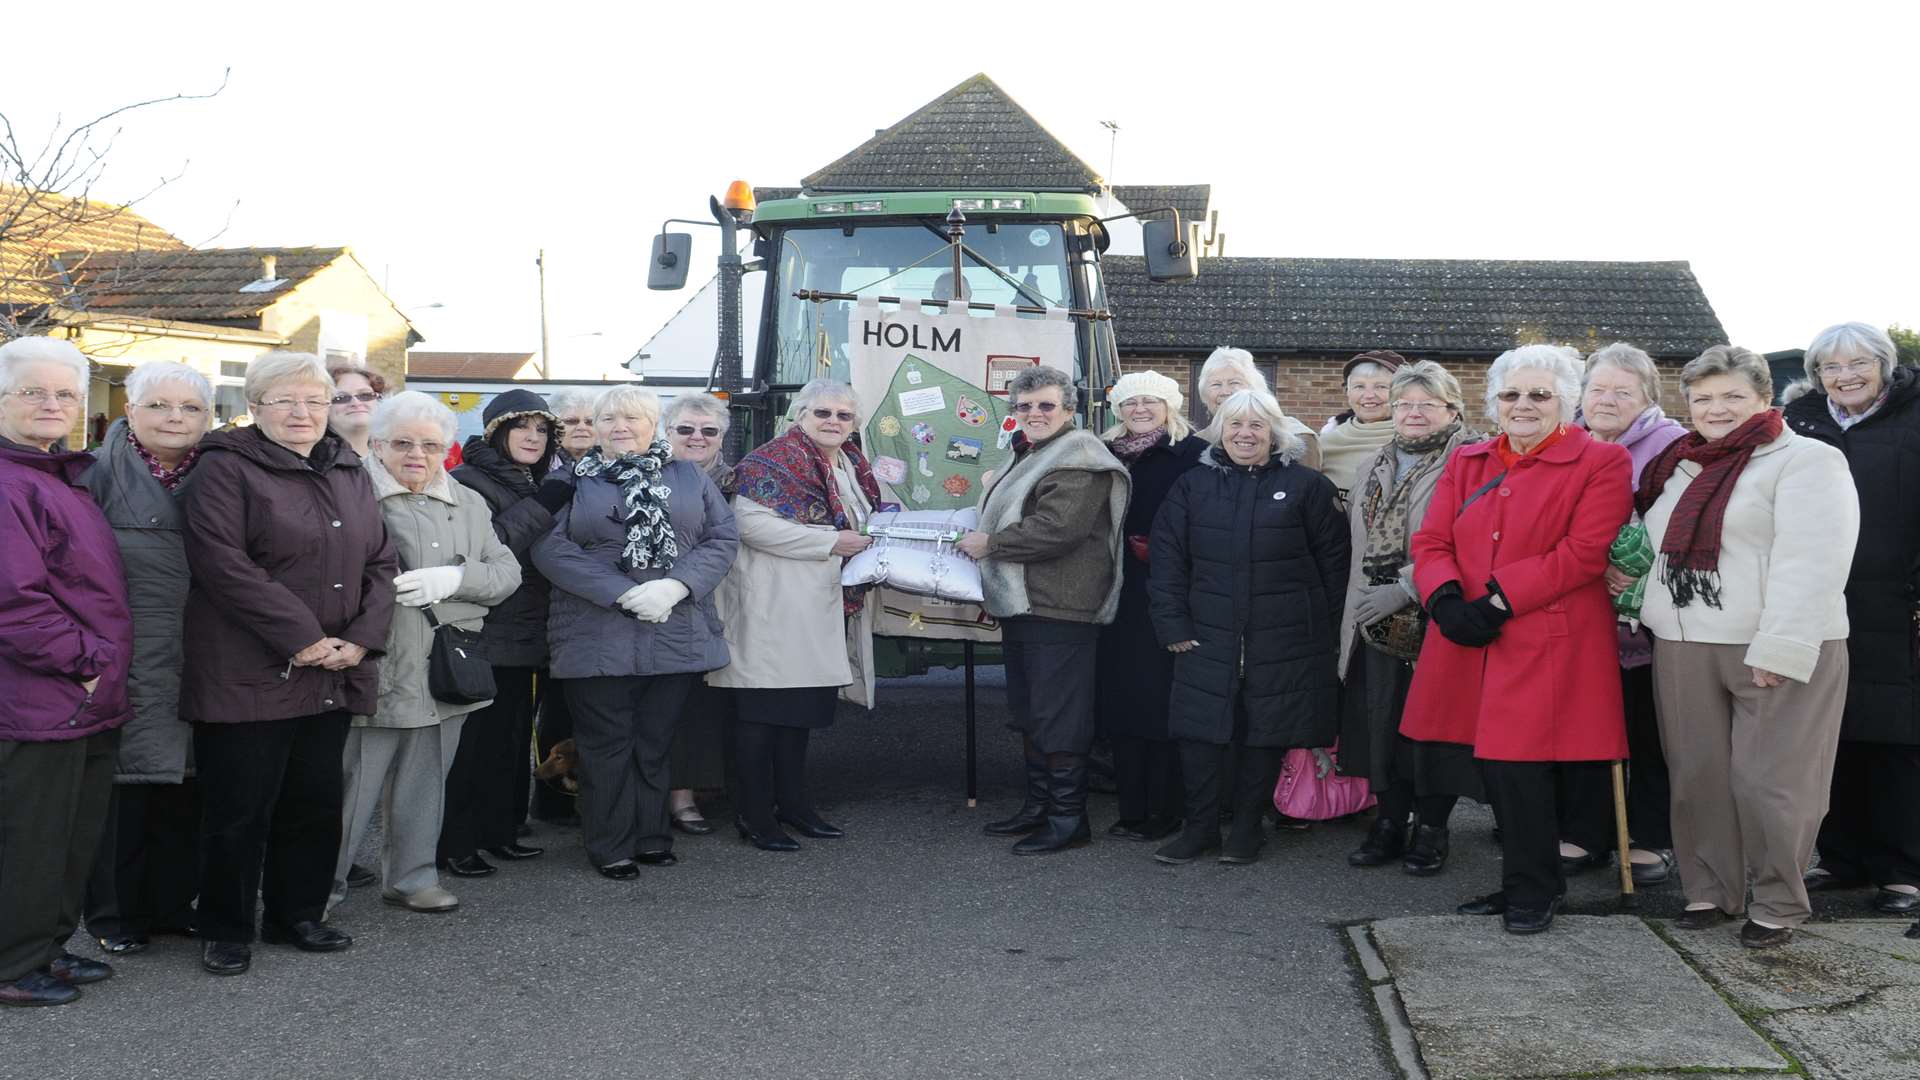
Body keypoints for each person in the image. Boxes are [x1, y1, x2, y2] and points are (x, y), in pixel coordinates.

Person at [1401, 343, 1632, 935]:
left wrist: (1500, 600)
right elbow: (1431, 541)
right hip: (1469, 635)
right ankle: (1524, 884)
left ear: (1566, 401)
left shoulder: (1600, 462)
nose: (1523, 405)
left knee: (1522, 766)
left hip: (1546, 637)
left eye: (1539, 394)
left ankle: (1534, 888)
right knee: (1493, 766)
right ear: (1494, 402)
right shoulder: (1469, 460)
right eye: (1511, 394)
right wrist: (1445, 598)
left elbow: (1584, 552)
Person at [1634, 345, 1858, 948]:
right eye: (1703, 398)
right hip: (1684, 642)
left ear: (1763, 397)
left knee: (1771, 782)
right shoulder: (1680, 464)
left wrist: (1781, 645)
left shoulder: (1808, 460)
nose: (1717, 409)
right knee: (1697, 776)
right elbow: (1656, 550)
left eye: (1733, 396)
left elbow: (1814, 559)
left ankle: (1779, 899)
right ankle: (1710, 889)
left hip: (1772, 644)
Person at [180, 351, 396, 975]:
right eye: (285, 400)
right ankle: (225, 927)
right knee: (239, 808)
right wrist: (302, 638)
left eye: (315, 400)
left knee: (313, 801)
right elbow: (223, 564)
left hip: (332, 667)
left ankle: (295, 915)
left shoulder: (347, 467)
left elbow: (381, 561)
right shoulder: (225, 469)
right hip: (247, 669)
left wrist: (362, 639)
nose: (302, 413)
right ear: (255, 407)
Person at [533, 386, 738, 878]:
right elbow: (549, 547)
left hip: (675, 630)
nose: (619, 426)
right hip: (595, 631)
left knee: (655, 741)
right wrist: (621, 593)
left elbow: (722, 536)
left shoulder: (688, 475)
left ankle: (651, 836)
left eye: (632, 418)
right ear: (594, 428)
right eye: (608, 418)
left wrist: (675, 586)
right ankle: (610, 845)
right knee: (605, 746)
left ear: (653, 427)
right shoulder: (568, 482)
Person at [332, 393, 521, 914]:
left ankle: (413, 878)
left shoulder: (468, 501)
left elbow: (507, 575)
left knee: (425, 782)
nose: (418, 454)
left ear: (448, 449)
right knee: (349, 790)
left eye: (432, 445)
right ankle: (319, 890)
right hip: (374, 662)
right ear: (378, 443)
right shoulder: (348, 494)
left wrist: (458, 577)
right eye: (403, 442)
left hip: (443, 666)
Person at [1148, 389, 1348, 865]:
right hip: (1205, 633)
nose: (1245, 434)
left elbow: (1334, 566)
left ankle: (1246, 829)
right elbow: (1167, 560)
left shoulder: (1307, 487)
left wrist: (1325, 632)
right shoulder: (1192, 486)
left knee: (1264, 733)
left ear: (1274, 433)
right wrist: (1172, 623)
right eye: (1235, 424)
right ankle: (1199, 830)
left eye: (1257, 425)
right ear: (1220, 431)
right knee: (1200, 734)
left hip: (1283, 636)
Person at [0, 337, 132, 1007]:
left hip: (82, 694)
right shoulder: (7, 481)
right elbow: (13, 602)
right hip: (39, 694)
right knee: (29, 840)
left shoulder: (54, 473)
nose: (51, 405)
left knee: (68, 838)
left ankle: (44, 950)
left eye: (65, 394)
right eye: (33, 392)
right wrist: (86, 666)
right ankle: (11, 964)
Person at [955, 367, 1128, 855]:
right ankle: (1039, 807)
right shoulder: (1031, 453)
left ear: (1069, 410)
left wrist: (990, 544)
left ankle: (1069, 819)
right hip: (1028, 605)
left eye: (1046, 406)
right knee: (1031, 712)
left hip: (1061, 606)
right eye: (1025, 407)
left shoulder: (1079, 457)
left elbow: (1057, 530)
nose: (1034, 414)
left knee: (1060, 716)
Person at [1784, 322, 1920, 917]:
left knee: (1896, 737)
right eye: (1831, 368)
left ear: (1886, 364)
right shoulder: (1798, 423)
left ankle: (1903, 869)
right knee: (1828, 729)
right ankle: (1842, 857)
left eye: (1860, 363)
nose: (1846, 376)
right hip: (1819, 600)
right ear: (1816, 376)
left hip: (1898, 602)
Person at [80, 362, 213, 958]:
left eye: (189, 408)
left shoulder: (221, 473)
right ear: (129, 411)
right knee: (125, 790)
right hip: (124, 651)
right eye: (159, 405)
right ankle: (114, 912)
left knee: (186, 785)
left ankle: (172, 901)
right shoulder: (94, 476)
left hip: (203, 649)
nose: (175, 419)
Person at [711, 380, 875, 851]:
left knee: (799, 716)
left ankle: (794, 805)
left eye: (844, 416)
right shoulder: (772, 459)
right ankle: (755, 815)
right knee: (761, 718)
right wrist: (829, 542)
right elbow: (748, 524)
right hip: (774, 605)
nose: (833, 422)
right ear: (799, 415)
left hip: (815, 606)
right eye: (822, 412)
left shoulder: (849, 463)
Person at [1337, 361, 1482, 875]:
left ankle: (1433, 830)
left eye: (1428, 403)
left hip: (1437, 615)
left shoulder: (1472, 460)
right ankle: (1389, 824)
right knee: (1380, 724)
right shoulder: (1374, 462)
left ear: (1452, 409)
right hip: (1370, 619)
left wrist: (1405, 589)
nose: (1413, 412)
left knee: (1434, 729)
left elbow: (1470, 541)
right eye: (1404, 403)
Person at [1567, 343, 1688, 885]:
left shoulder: (1673, 447)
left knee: (1646, 727)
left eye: (1623, 391)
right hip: (1576, 606)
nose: (1606, 400)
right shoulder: (1566, 441)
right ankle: (1588, 830)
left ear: (1647, 398)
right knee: (1584, 722)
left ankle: (1651, 836)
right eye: (1597, 389)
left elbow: (1688, 528)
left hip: (1646, 616)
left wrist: (1641, 575)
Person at [442, 390, 574, 877]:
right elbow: (488, 545)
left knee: (511, 743)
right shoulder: (468, 480)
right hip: (484, 631)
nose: (533, 438)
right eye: (522, 428)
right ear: (497, 431)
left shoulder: (529, 480)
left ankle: (501, 831)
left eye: (542, 430)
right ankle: (456, 843)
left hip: (524, 634)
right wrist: (543, 505)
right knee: (473, 747)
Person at [1093, 371, 1206, 842]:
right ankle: (1132, 808)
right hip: (1110, 590)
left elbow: (1205, 518)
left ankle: (1167, 809)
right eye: (1130, 402)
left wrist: (1163, 549)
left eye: (1151, 401)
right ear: (1117, 410)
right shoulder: (1101, 453)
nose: (1140, 409)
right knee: (1119, 701)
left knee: (1160, 702)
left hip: (1166, 590)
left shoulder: (1193, 454)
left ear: (1169, 407)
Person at [662, 393, 739, 834]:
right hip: (668, 601)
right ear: (666, 431)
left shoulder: (738, 480)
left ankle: (705, 785)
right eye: (686, 429)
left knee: (710, 704)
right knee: (674, 704)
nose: (697, 437)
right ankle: (677, 796)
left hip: (728, 602)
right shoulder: (649, 474)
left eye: (709, 430)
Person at [530, 387, 598, 825]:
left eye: (590, 421)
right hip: (538, 600)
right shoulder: (536, 472)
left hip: (587, 604)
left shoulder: (607, 469)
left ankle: (584, 795)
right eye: (571, 421)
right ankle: (550, 801)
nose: (582, 428)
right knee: (549, 708)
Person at [1196, 346, 1322, 470]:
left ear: (1255, 388)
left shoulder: (1297, 436)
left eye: (1234, 383)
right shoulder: (1198, 441)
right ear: (1204, 394)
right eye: (1216, 384)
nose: (1225, 391)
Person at [1317, 351, 1405, 501]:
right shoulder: (1325, 443)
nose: (1369, 395)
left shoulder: (1414, 441)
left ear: (1401, 392)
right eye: (1359, 386)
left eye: (1381, 386)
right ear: (1347, 392)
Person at [325, 364, 385, 460]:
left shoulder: (396, 457)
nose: (356, 403)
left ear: (379, 400)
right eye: (341, 397)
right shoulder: (313, 466)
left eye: (365, 395)